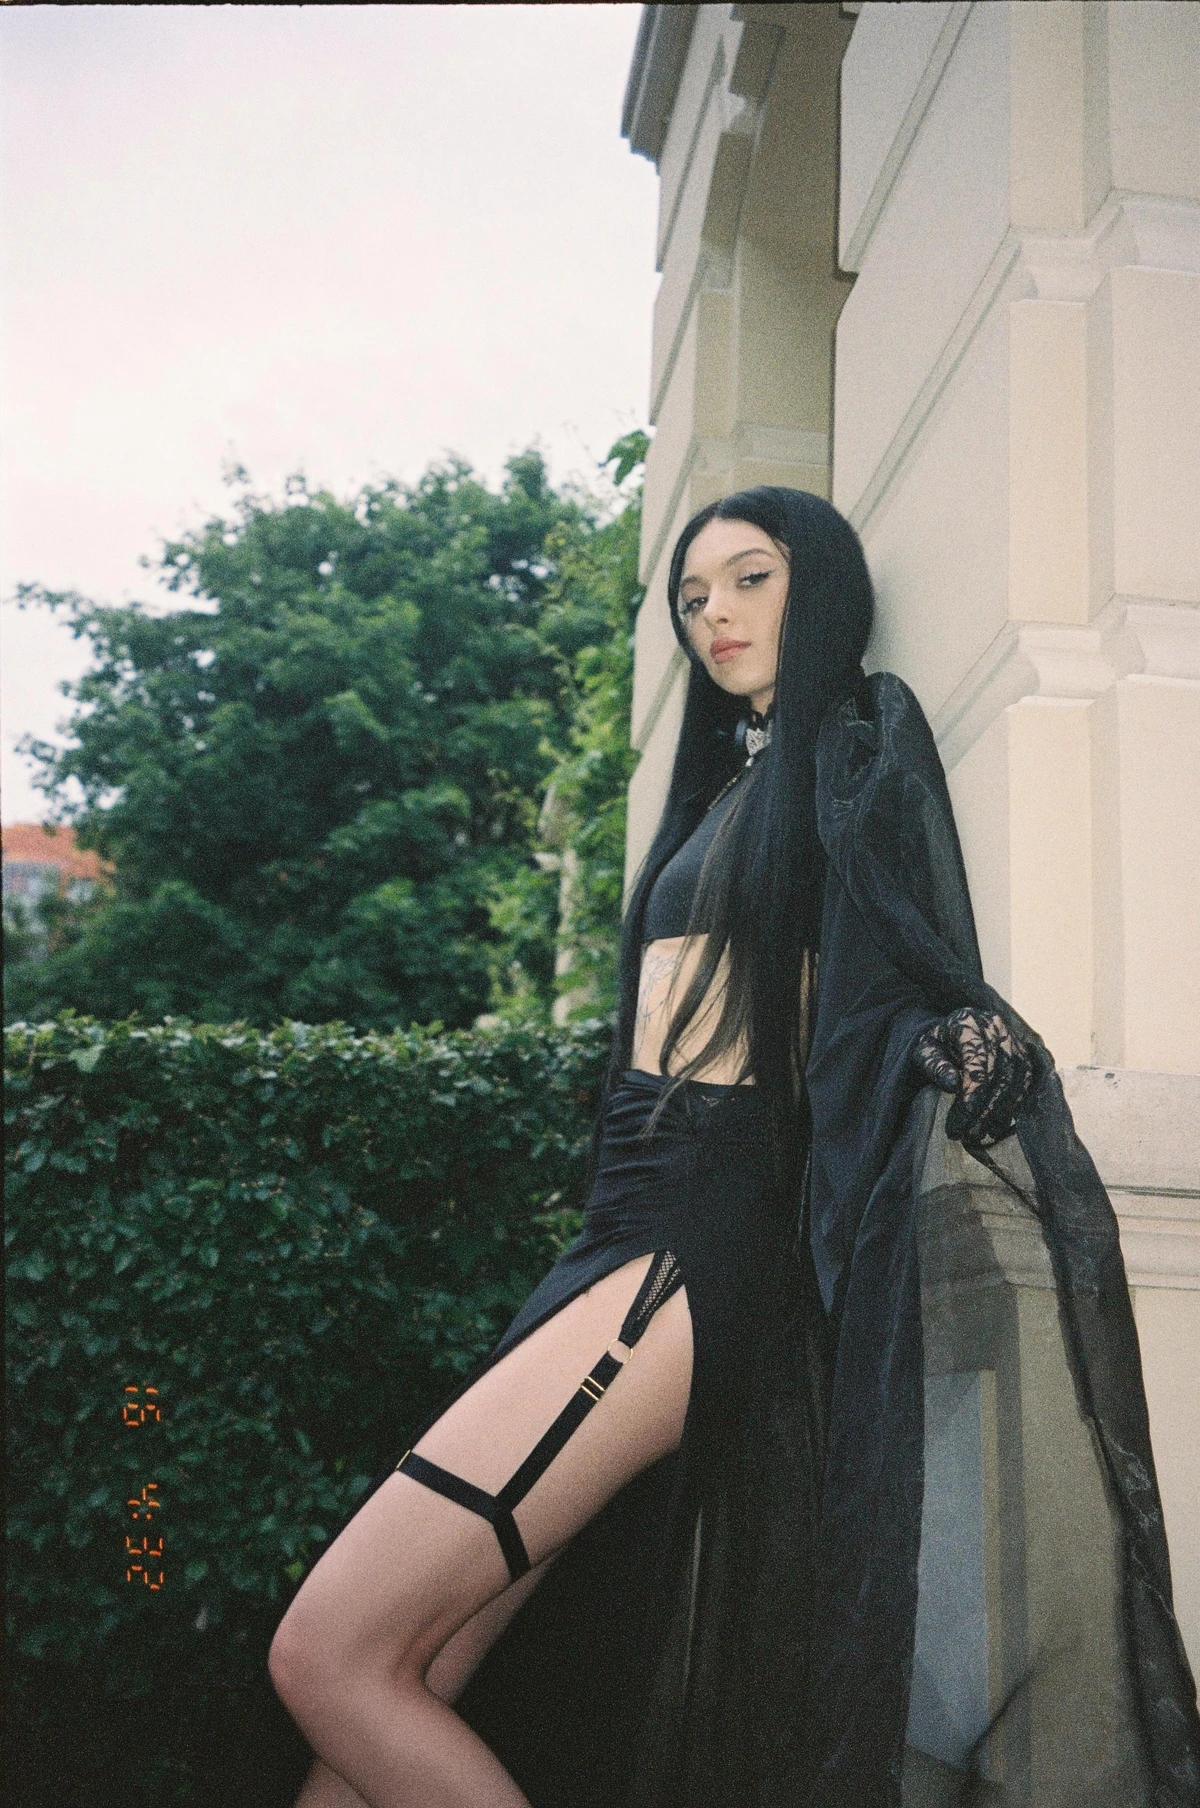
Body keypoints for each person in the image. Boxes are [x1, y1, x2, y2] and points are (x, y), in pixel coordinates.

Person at [268, 488, 1200, 1808]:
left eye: (750, 578)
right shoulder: (725, 785)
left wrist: (950, 1034)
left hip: (687, 1247)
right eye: (693, 595)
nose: (715, 614)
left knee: (328, 1655)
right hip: (621, 1234)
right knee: (402, 1676)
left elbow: (892, 953)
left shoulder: (855, 743)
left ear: (818, 585)